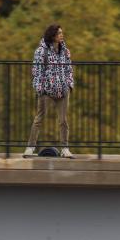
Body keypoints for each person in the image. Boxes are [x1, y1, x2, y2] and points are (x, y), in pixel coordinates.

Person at [24, 25, 75, 158]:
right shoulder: (41, 51)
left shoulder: (65, 51)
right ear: (52, 35)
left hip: (63, 91)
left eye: (62, 33)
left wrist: (69, 84)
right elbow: (36, 71)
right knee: (39, 119)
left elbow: (69, 69)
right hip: (46, 91)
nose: (62, 35)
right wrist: (40, 89)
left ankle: (65, 149)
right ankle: (30, 147)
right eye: (59, 33)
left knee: (63, 121)